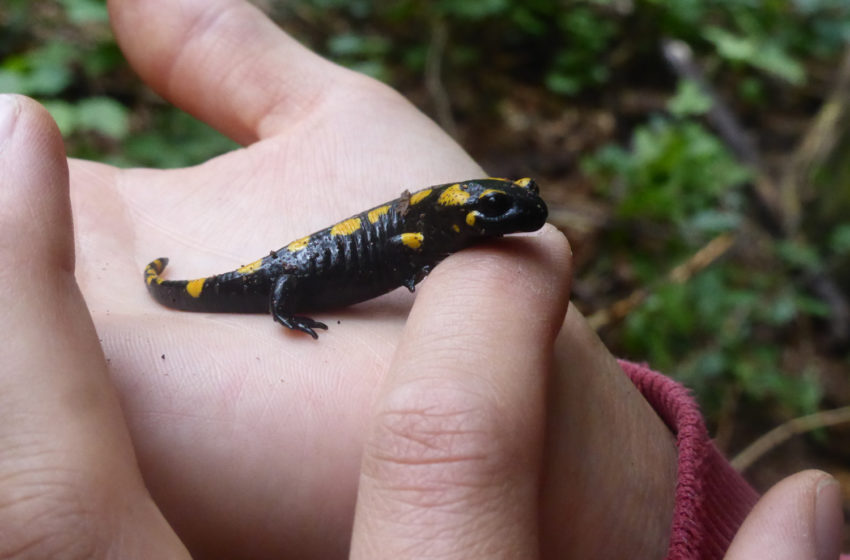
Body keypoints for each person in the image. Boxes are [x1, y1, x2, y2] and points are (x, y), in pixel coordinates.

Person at [0, 0, 843, 558]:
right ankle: (193, 287)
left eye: (524, 209)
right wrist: (283, 312)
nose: (523, 222)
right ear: (469, 217)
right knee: (269, 282)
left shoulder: (442, 222)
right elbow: (409, 252)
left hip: (359, 251)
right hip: (285, 277)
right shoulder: (431, 226)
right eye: (506, 213)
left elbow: (421, 249)